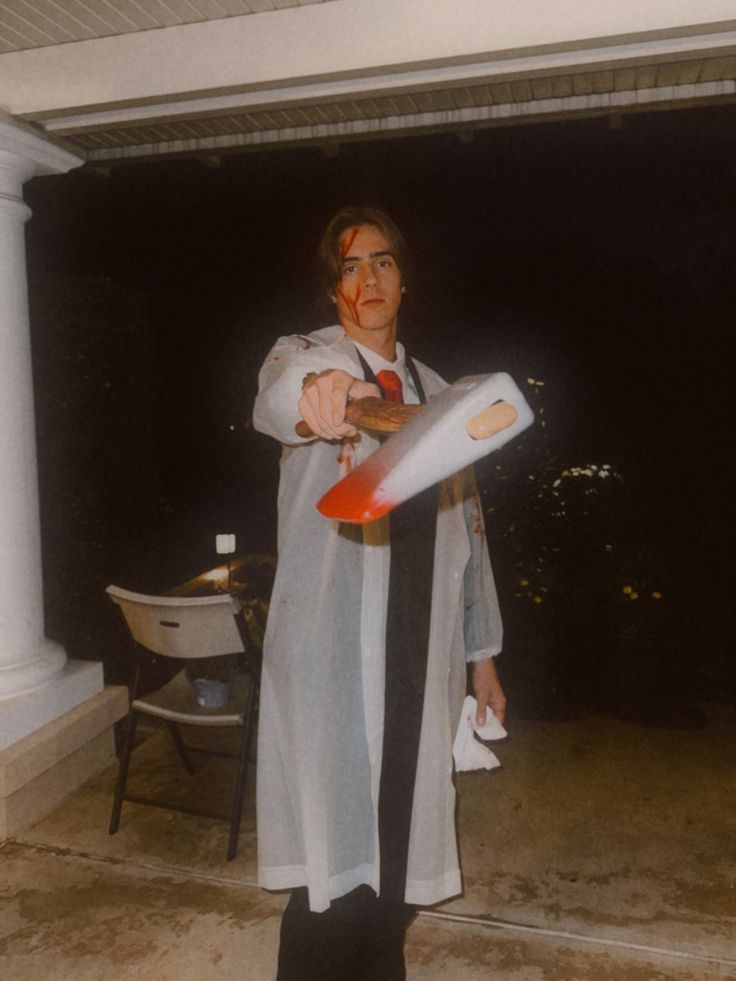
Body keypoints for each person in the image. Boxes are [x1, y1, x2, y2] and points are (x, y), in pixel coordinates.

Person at [252, 206, 506, 980]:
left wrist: (482, 654)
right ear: (333, 288)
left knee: (397, 860)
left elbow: (469, 529)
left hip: (417, 651)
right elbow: (282, 398)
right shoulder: (302, 356)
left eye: (384, 263)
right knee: (330, 873)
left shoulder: (435, 389)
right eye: (352, 267)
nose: (369, 280)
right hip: (331, 653)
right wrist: (326, 394)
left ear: (404, 278)